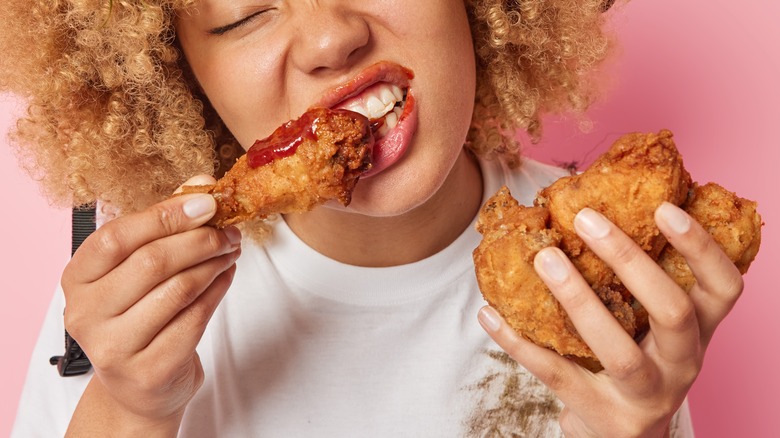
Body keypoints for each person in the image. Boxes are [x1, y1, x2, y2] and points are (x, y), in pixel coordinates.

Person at [1, 0, 745, 436]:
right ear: (173, 75)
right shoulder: (127, 301)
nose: (333, 37)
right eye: (245, 12)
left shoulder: (605, 269)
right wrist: (132, 409)